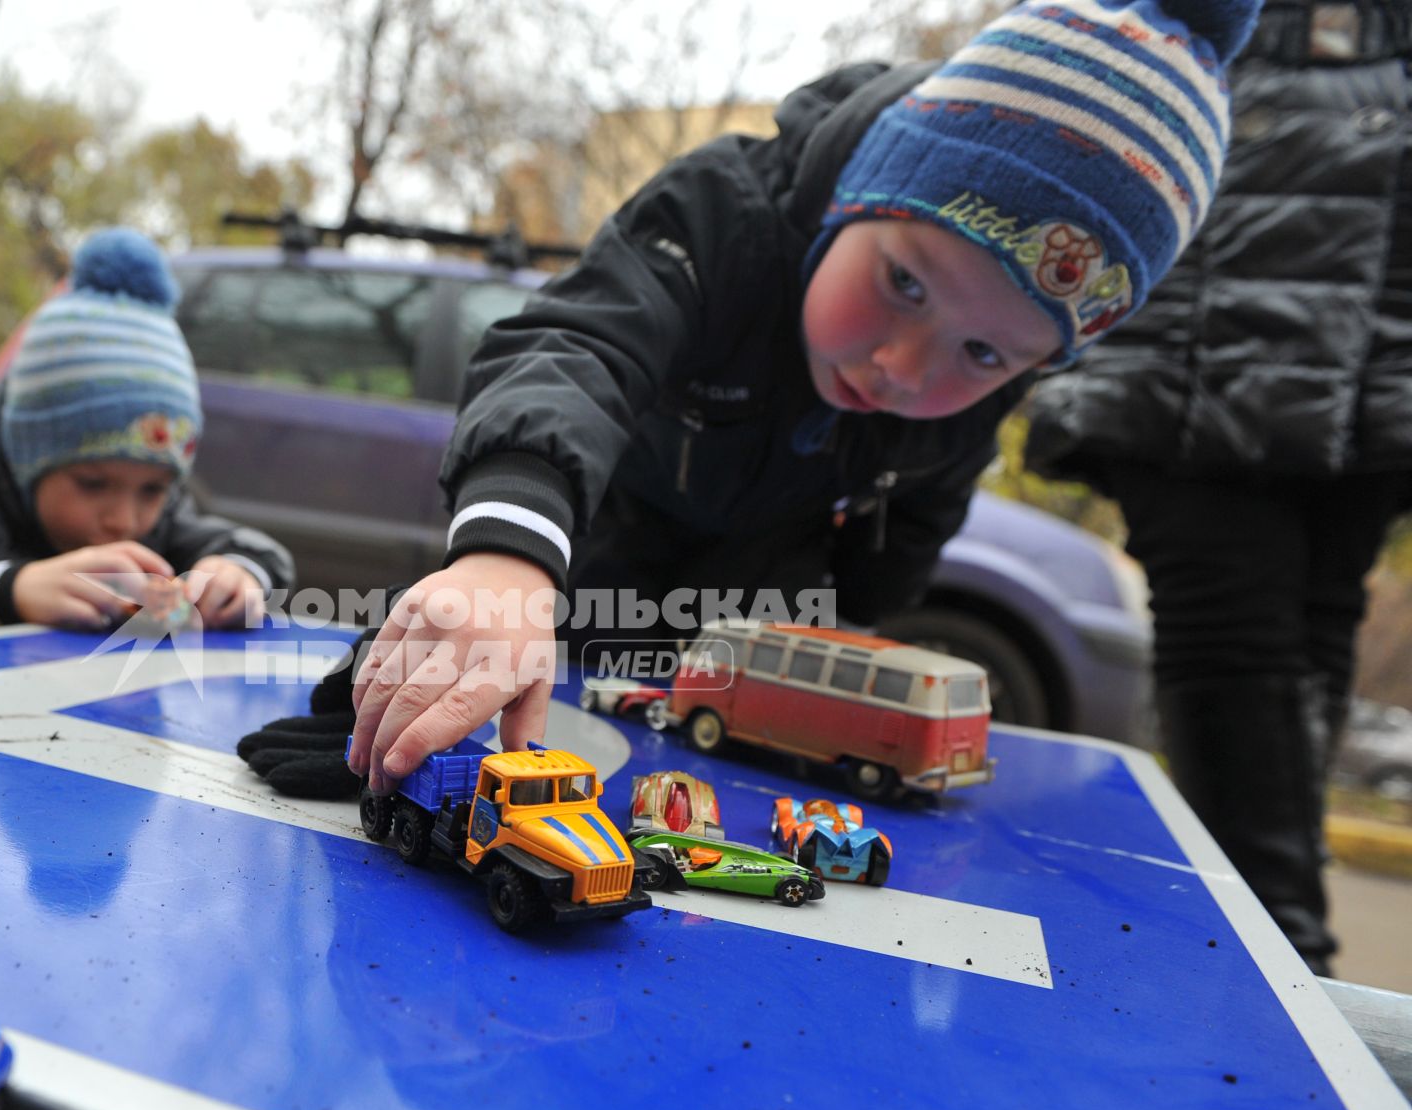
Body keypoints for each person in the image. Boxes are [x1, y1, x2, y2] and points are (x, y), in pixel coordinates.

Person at [342, 0, 1265, 796]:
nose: (904, 365)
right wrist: (509, 560)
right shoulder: (721, 219)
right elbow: (577, 344)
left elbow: (922, 509)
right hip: (580, 572)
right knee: (483, 746)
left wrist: (865, 601)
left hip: (752, 630)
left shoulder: (974, 398)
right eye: (905, 282)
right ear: (859, 197)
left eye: (984, 351)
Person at [1022, 0, 1412, 974]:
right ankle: (1276, 953)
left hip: (1369, 343)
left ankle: (1267, 951)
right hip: (1205, 338)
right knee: (1231, 631)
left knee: (1309, 627)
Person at [0, 228, 293, 647]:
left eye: (153, 488)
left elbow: (260, 551)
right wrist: (7, 591)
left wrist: (235, 575)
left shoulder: (158, 520)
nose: (124, 520)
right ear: (28, 455)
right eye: (92, 483)